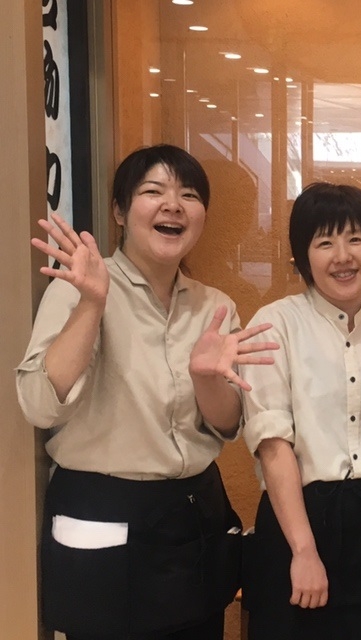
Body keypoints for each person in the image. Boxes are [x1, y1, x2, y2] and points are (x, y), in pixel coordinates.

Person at [16, 144, 278, 640]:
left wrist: (205, 377)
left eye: (189, 195)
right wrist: (92, 305)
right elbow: (39, 403)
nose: (173, 205)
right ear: (119, 210)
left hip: (192, 515)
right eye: (153, 191)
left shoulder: (214, 306)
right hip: (104, 512)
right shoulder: (78, 287)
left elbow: (226, 425)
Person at [240, 182, 361, 640]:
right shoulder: (273, 325)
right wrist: (303, 551)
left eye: (356, 238)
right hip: (299, 518)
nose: (343, 256)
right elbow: (273, 446)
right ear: (303, 256)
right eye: (325, 242)